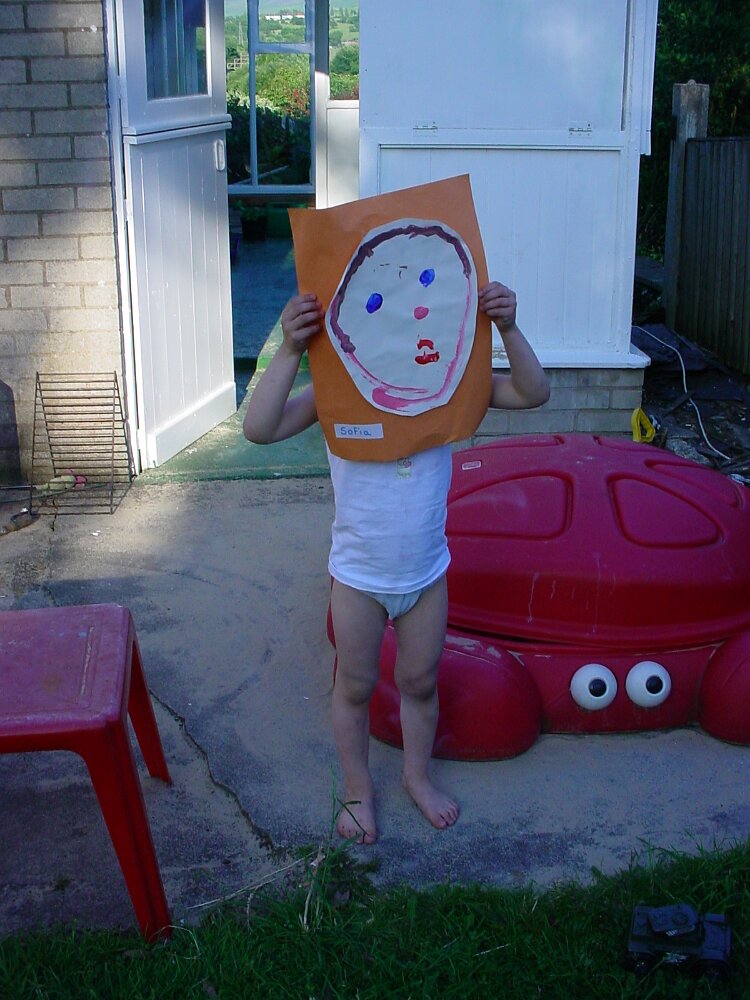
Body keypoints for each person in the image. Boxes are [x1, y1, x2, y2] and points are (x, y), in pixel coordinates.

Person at [243, 282, 550, 844]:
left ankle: (416, 777)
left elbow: (533, 392)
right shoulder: (334, 392)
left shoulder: (446, 385)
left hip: (426, 577)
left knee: (420, 683)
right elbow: (259, 429)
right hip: (358, 579)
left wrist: (508, 328)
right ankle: (358, 791)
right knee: (354, 686)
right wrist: (289, 348)